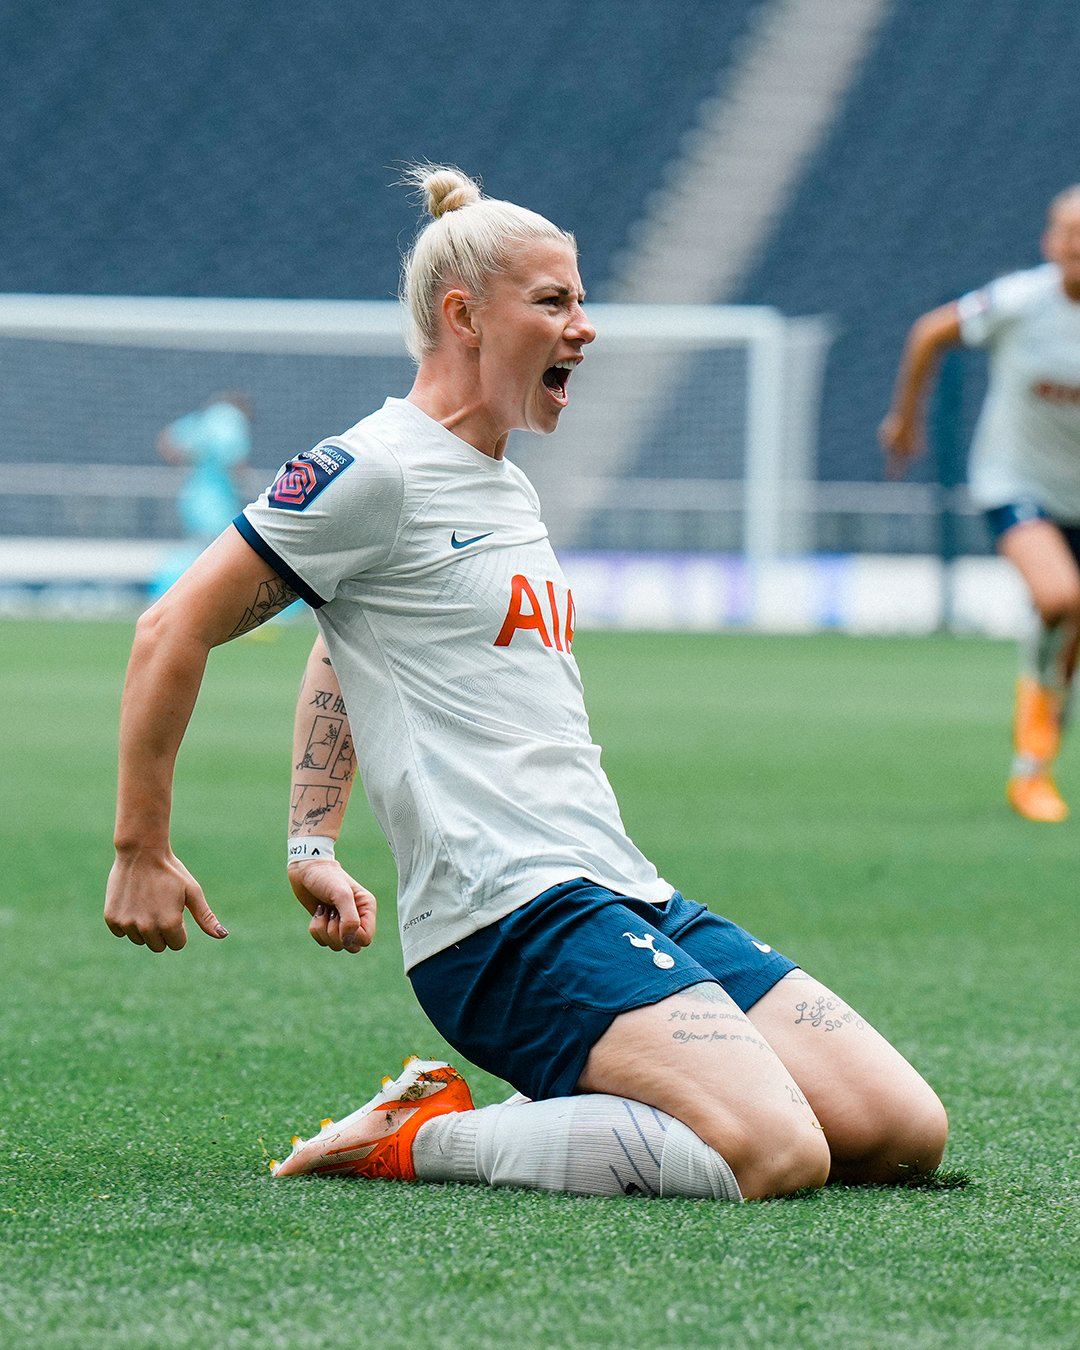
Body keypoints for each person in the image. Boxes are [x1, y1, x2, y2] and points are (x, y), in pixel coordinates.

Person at [106, 165, 948, 1202]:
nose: (584, 326)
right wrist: (140, 847)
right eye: (555, 301)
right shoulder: (373, 467)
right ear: (464, 315)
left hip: (617, 887)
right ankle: (421, 1138)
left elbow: (341, 638)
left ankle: (573, 1109)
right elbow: (169, 626)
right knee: (776, 1155)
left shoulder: (503, 483)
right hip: (503, 920)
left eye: (582, 299)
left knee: (901, 1132)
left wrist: (311, 842)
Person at [881, 186, 1080, 823]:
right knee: (1060, 600)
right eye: (1067, 231)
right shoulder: (1020, 302)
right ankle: (1032, 766)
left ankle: (1035, 765)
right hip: (1016, 483)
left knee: (1066, 630)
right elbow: (929, 332)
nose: (1077, 244)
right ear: (1049, 242)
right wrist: (905, 420)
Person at [150, 392, 253, 600]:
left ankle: (181, 598)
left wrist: (194, 458)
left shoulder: (202, 419)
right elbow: (235, 460)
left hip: (194, 497)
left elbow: (168, 442)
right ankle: (211, 602)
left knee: (200, 550)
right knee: (219, 553)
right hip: (216, 502)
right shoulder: (230, 418)